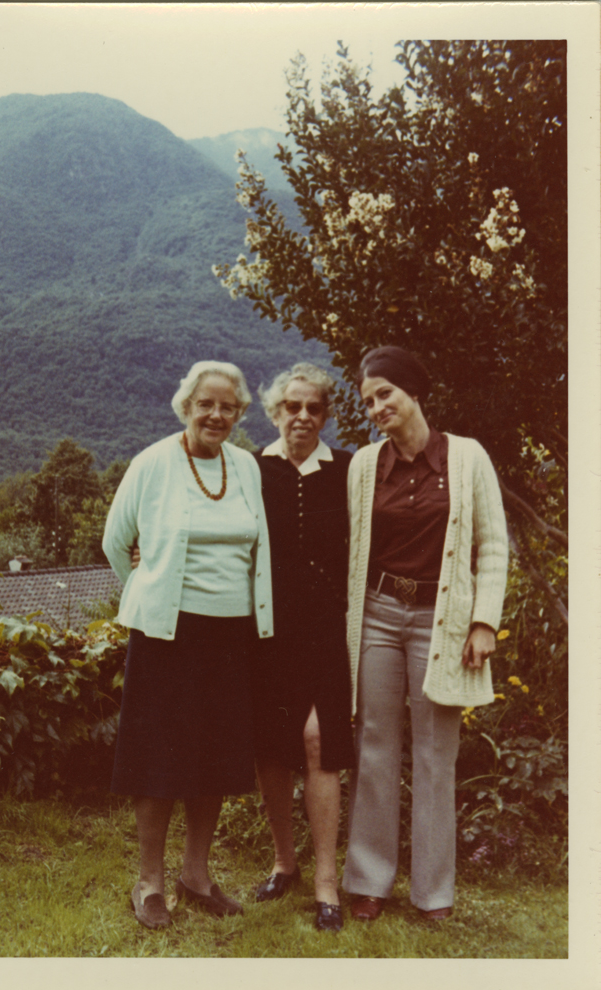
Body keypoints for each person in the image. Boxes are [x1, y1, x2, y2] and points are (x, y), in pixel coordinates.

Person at [103, 360, 273, 930]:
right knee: (158, 760)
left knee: (216, 759)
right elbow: (115, 539)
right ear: (186, 406)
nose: (217, 415)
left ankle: (196, 876)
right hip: (166, 636)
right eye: (207, 404)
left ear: (240, 414)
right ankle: (150, 883)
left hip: (231, 634)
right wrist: (145, 595)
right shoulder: (153, 462)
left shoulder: (246, 467)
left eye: (228, 406)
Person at [342, 346, 508, 922]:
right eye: (368, 401)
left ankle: (433, 893)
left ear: (413, 390)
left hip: (443, 623)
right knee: (375, 747)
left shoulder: (466, 458)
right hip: (379, 616)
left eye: (385, 393)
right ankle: (369, 881)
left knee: (437, 755)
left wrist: (484, 621)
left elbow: (493, 546)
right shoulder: (365, 467)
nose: (377, 407)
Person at [251, 363, 354, 933]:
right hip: (265, 633)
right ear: (276, 412)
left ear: (326, 414)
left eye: (314, 408)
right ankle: (283, 862)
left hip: (326, 632)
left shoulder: (347, 469)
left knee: (319, 743)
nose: (303, 417)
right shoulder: (251, 468)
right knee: (271, 748)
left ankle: (326, 882)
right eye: (293, 407)